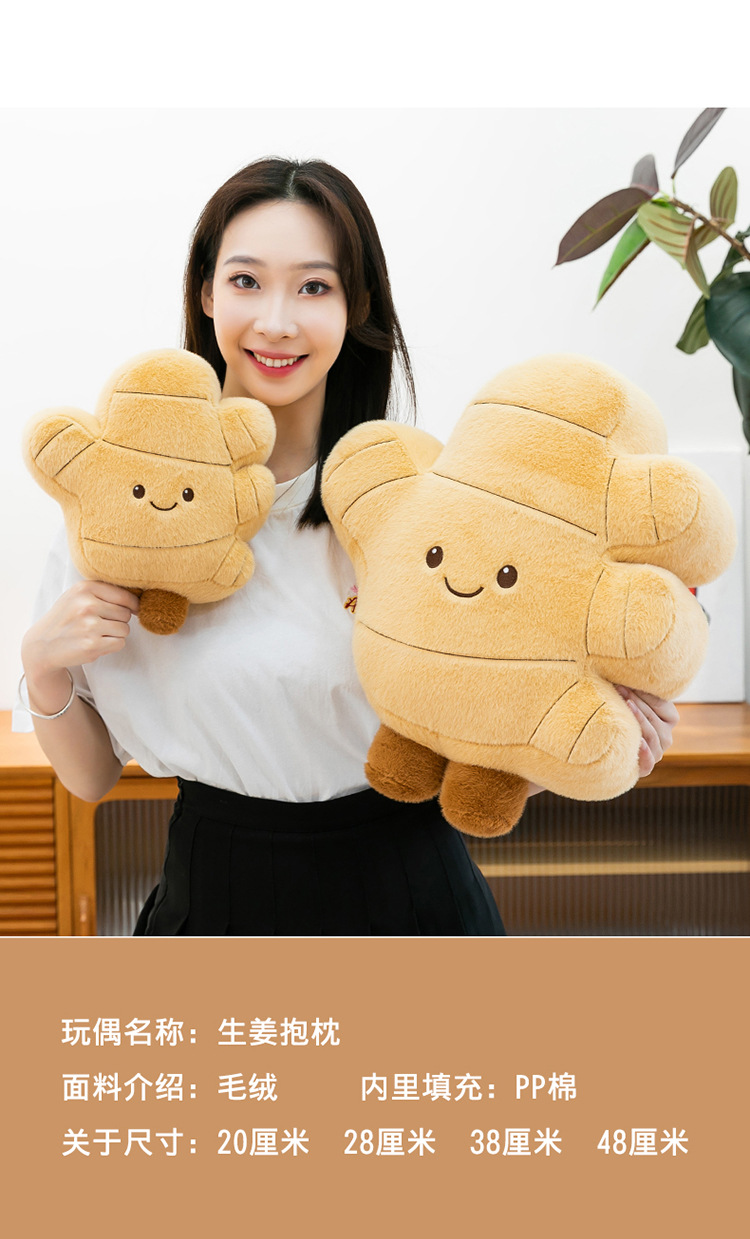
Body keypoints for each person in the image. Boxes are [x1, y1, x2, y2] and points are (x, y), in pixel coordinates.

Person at [18, 157, 678, 936]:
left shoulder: (426, 508)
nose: (276, 321)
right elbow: (93, 775)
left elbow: (472, 752)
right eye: (246, 281)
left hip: (413, 899)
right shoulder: (122, 503)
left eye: (314, 287)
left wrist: (596, 742)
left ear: (356, 304)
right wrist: (42, 662)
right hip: (213, 897)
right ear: (205, 292)